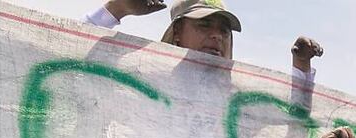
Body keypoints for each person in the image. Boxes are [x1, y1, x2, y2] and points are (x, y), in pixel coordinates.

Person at [85, 0, 322, 82]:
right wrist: (116, 9)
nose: (217, 36)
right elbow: (73, 65)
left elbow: (294, 127)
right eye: (204, 24)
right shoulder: (145, 78)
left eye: (224, 30)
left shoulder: (236, 97)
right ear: (177, 31)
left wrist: (301, 65)